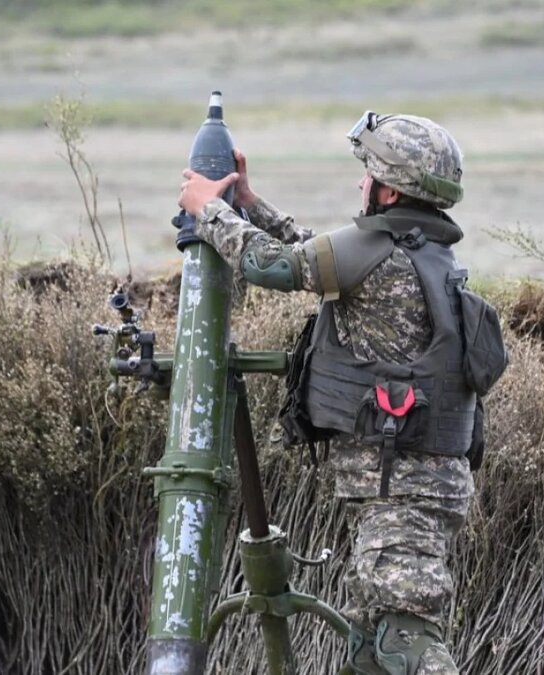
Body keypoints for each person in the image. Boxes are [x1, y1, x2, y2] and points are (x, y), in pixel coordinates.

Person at [178, 112, 477, 675]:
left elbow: (273, 266)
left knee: (407, 641)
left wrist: (207, 209)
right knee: (369, 653)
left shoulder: (380, 253)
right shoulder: (421, 253)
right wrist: (252, 204)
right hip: (414, 487)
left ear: (389, 190)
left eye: (368, 173)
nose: (361, 182)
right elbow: (312, 252)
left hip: (401, 493)